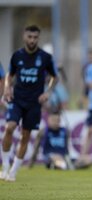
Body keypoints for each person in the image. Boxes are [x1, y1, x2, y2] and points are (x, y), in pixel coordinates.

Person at [0, 25, 57, 181]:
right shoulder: (17, 55)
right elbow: (9, 75)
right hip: (17, 99)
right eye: (29, 37)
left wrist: (48, 92)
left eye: (35, 37)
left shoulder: (45, 57)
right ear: (25, 37)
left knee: (25, 136)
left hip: (34, 103)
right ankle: (5, 166)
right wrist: (7, 88)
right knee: (9, 127)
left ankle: (13, 172)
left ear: (38, 38)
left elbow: (54, 77)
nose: (32, 40)